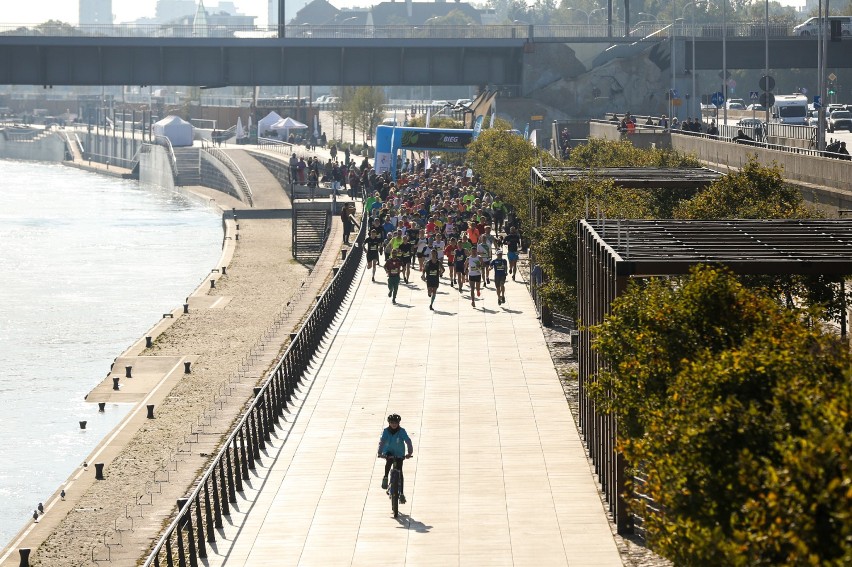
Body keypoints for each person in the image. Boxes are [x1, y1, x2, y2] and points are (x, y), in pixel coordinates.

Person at [377, 414, 413, 503]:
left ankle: (401, 493)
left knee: (400, 471)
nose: (394, 425)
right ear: (389, 423)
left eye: (396, 423)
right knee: (389, 462)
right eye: (392, 423)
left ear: (398, 423)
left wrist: (409, 452)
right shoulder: (386, 431)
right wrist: (380, 452)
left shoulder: (402, 431)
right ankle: (385, 477)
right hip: (388, 452)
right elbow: (382, 442)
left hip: (399, 454)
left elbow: (408, 441)